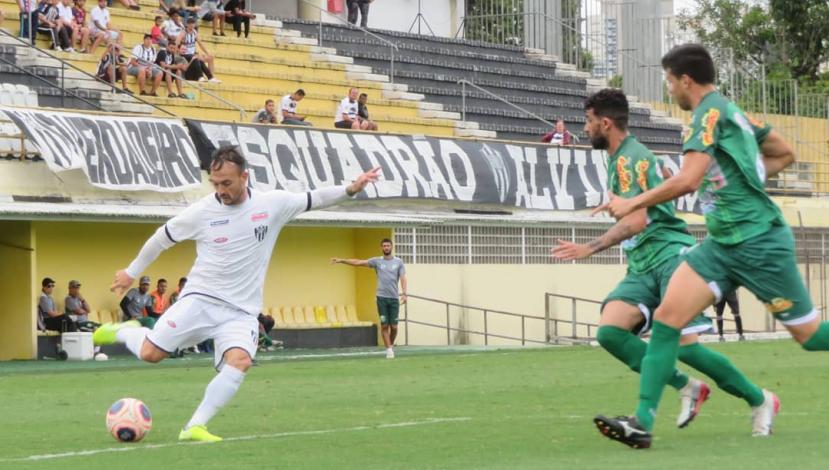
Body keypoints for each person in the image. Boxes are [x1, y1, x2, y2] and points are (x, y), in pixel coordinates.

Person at [595, 43, 827, 448]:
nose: (670, 91)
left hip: (759, 243)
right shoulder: (733, 111)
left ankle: (749, 401)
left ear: (685, 80)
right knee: (667, 321)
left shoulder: (704, 117)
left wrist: (632, 202)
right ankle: (642, 422)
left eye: (670, 81)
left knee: (808, 336)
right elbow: (783, 152)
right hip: (720, 245)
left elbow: (686, 181)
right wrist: (739, 181)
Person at [94, 146, 380, 442]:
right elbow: (162, 238)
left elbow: (315, 198)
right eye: (215, 184)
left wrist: (351, 188)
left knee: (240, 361)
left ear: (245, 176)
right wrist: (131, 272)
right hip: (201, 299)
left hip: (242, 311)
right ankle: (125, 332)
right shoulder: (203, 211)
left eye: (227, 183)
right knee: (150, 354)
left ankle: (194, 426)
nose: (220, 190)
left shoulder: (273, 204)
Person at [553, 88, 770, 438]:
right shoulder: (624, 156)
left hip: (670, 257)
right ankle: (688, 388)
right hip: (643, 263)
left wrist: (590, 247)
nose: (585, 128)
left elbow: (638, 220)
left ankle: (759, 399)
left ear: (605, 123)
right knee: (611, 331)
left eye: (589, 121)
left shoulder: (627, 160)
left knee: (687, 348)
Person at [331, 238, 407, 359]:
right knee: (384, 326)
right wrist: (341, 260)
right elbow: (358, 262)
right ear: (381, 248)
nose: (386, 248)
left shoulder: (399, 262)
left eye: (388, 245)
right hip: (381, 298)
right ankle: (389, 350)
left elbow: (403, 278)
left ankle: (390, 345)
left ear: (391, 247)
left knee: (394, 327)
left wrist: (404, 293)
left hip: (393, 298)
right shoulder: (376, 261)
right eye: (384, 246)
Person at [179, 18, 220, 83]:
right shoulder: (183, 33)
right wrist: (177, 52)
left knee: (210, 57)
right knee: (196, 58)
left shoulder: (195, 32)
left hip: (192, 53)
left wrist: (207, 53)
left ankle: (211, 77)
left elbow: (200, 44)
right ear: (187, 25)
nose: (192, 25)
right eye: (190, 24)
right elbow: (176, 43)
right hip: (185, 54)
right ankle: (200, 76)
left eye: (193, 24)